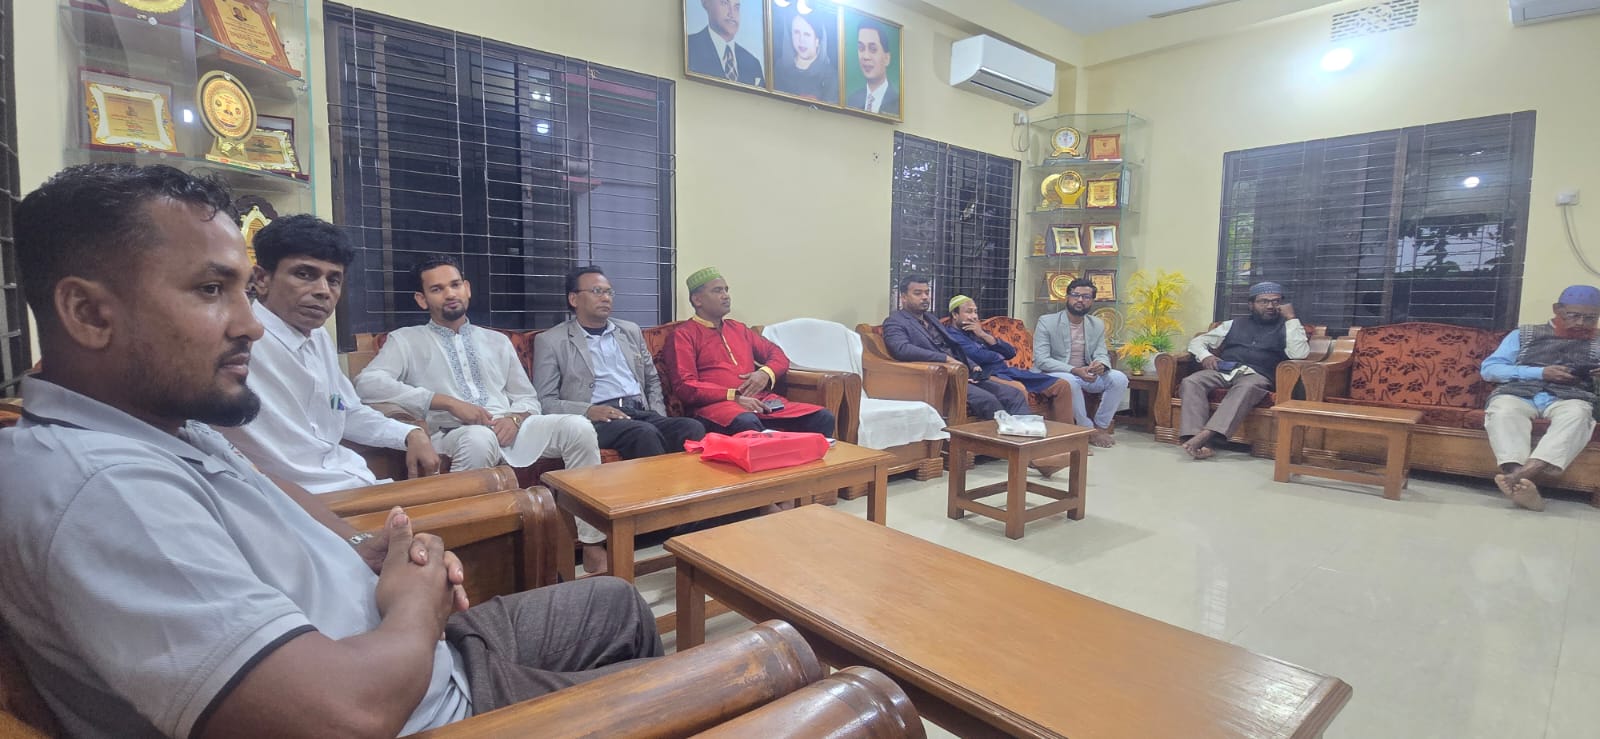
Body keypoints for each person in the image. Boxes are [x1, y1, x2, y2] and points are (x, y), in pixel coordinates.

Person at [0, 163, 661, 738]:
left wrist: (365, 551)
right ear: (88, 313)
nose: (251, 324)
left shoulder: (164, 424)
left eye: (240, 288)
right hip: (421, 705)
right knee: (694, 685)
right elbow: (343, 716)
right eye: (210, 290)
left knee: (616, 602)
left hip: (406, 644)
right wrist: (415, 599)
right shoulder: (102, 490)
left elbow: (288, 476)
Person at [353, 255, 610, 571]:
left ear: (467, 289)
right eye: (437, 289)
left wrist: (515, 419)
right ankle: (466, 554)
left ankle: (593, 543)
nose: (450, 294)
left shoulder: (497, 341)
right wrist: (443, 401)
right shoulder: (405, 340)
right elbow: (367, 384)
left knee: (578, 427)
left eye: (455, 285)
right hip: (451, 433)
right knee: (477, 439)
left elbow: (527, 398)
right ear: (422, 299)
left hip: (508, 428)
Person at [218, 214, 441, 493]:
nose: (323, 291)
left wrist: (409, 433)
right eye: (304, 274)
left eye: (334, 280)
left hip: (352, 484)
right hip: (299, 499)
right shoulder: (238, 345)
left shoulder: (318, 337)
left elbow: (346, 411)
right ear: (261, 279)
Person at [533, 265, 706, 459]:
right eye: (597, 291)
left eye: (609, 292)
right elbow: (545, 401)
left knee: (690, 427)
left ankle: (683, 480)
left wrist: (657, 414)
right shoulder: (551, 341)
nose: (606, 298)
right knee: (643, 433)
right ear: (574, 299)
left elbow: (652, 380)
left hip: (639, 412)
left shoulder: (630, 331)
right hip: (596, 420)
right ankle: (661, 481)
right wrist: (588, 410)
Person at [667, 267, 836, 436]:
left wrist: (764, 373)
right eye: (717, 291)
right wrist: (733, 396)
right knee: (747, 422)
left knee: (822, 417)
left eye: (726, 290)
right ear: (697, 300)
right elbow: (685, 385)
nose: (726, 296)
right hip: (715, 406)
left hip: (759, 401)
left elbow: (777, 354)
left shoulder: (738, 329)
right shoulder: (683, 335)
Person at [1480, 285, 1600, 512]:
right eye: (1574, 315)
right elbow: (1490, 370)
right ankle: (1523, 482)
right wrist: (1540, 372)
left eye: (1590, 318)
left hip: (1571, 397)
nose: (1581, 323)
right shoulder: (1523, 334)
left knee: (1579, 415)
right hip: (1519, 393)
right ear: (1557, 309)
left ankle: (1522, 475)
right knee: (1503, 411)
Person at [1178, 281, 1309, 460]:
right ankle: (1197, 438)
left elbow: (1300, 354)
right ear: (1251, 304)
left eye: (1276, 301)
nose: (1270, 306)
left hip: (1258, 375)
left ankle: (1207, 436)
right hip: (1225, 370)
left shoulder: (1288, 326)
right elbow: (1197, 342)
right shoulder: (1233, 324)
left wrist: (1291, 318)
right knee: (1191, 381)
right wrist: (1205, 356)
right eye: (1263, 301)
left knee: (1246, 387)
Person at [882, 276, 1031, 422]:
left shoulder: (931, 318)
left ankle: (1027, 432)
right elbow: (901, 349)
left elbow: (951, 347)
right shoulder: (895, 321)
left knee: (1014, 394)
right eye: (918, 293)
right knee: (988, 400)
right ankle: (1001, 434)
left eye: (927, 292)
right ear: (903, 297)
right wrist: (946, 359)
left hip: (961, 372)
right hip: (938, 377)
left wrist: (971, 365)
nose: (925, 297)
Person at [946, 294, 1077, 428]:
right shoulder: (951, 336)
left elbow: (1010, 352)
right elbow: (979, 356)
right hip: (987, 375)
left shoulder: (978, 332)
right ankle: (1024, 433)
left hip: (1007, 371)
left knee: (1062, 385)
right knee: (1018, 390)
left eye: (975, 312)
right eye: (968, 312)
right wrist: (997, 354)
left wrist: (984, 335)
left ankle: (1065, 435)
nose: (974, 316)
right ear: (955, 315)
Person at [1033, 277, 1129, 447]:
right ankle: (1087, 430)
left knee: (1119, 378)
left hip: (1086, 373)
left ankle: (1101, 426)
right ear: (1067, 297)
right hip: (1054, 374)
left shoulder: (1096, 324)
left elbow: (1101, 352)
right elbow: (1042, 360)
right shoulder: (1047, 322)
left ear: (1092, 301)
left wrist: (1101, 365)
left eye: (1086, 297)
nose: (1080, 300)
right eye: (1076, 295)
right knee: (1070, 382)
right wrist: (1075, 370)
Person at [685, 0, 764, 86]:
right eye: (724, 3)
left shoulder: (753, 63)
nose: (732, 14)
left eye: (736, 7)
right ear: (706, 3)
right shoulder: (689, 47)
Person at [772, 9, 838, 102]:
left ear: (817, 40)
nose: (801, 40)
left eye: (807, 34)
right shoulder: (780, 68)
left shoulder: (830, 75)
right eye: (796, 32)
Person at [845, 19, 899, 116]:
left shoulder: (898, 103)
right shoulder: (851, 101)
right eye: (861, 48)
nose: (866, 56)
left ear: (887, 58)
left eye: (873, 49)